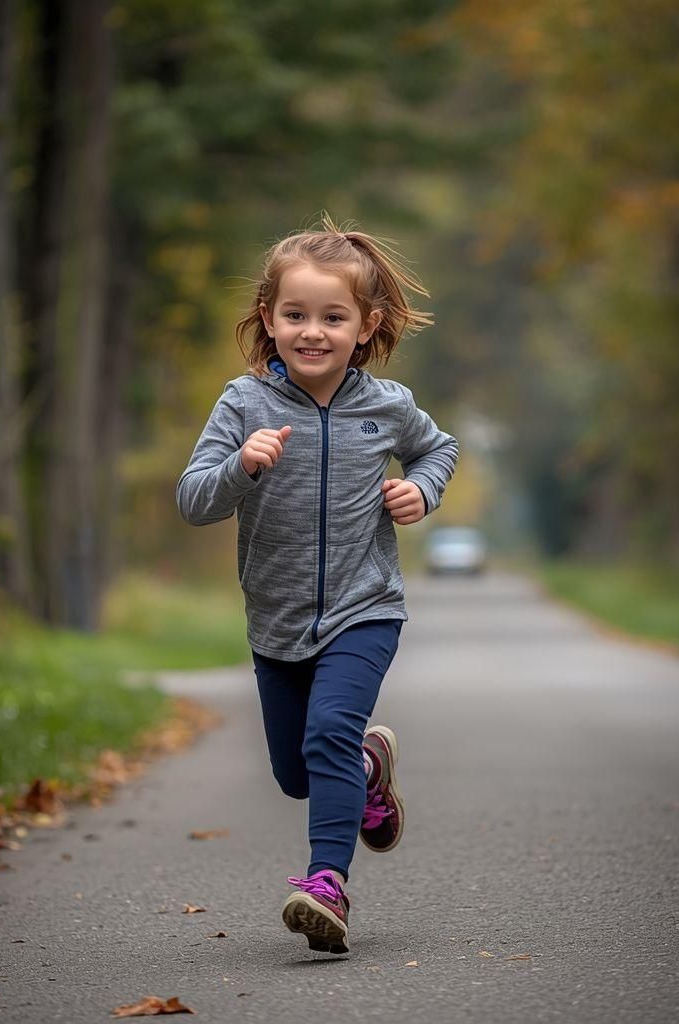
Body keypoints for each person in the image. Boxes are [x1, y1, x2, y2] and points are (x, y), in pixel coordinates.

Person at [176, 214, 458, 955]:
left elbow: (438, 449)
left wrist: (420, 491)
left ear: (366, 326)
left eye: (333, 317)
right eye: (295, 314)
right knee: (299, 773)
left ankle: (325, 882)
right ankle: (368, 768)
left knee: (327, 732)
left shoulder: (386, 407)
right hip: (276, 619)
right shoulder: (244, 405)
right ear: (268, 318)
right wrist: (242, 464)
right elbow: (193, 498)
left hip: (366, 609)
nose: (313, 331)